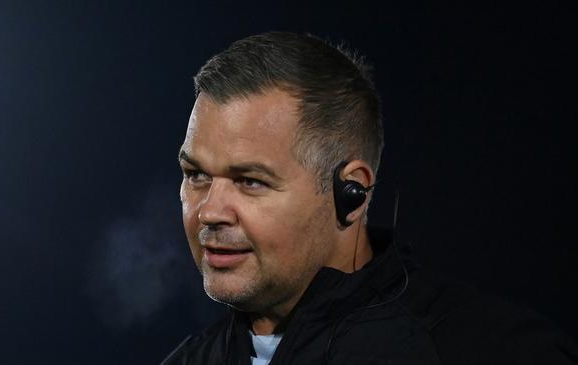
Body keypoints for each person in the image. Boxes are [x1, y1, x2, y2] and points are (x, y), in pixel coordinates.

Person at [161, 32, 577, 364]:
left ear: (352, 195)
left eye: (250, 181)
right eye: (196, 174)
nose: (209, 212)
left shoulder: (492, 350)